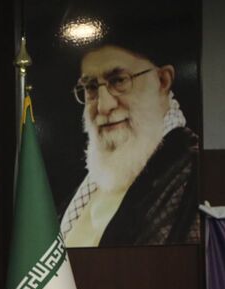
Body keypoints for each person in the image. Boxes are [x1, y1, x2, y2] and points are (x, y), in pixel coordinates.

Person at [59, 32, 198, 247]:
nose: (104, 106)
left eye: (119, 81)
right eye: (91, 87)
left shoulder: (192, 173)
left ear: (162, 81)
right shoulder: (90, 177)